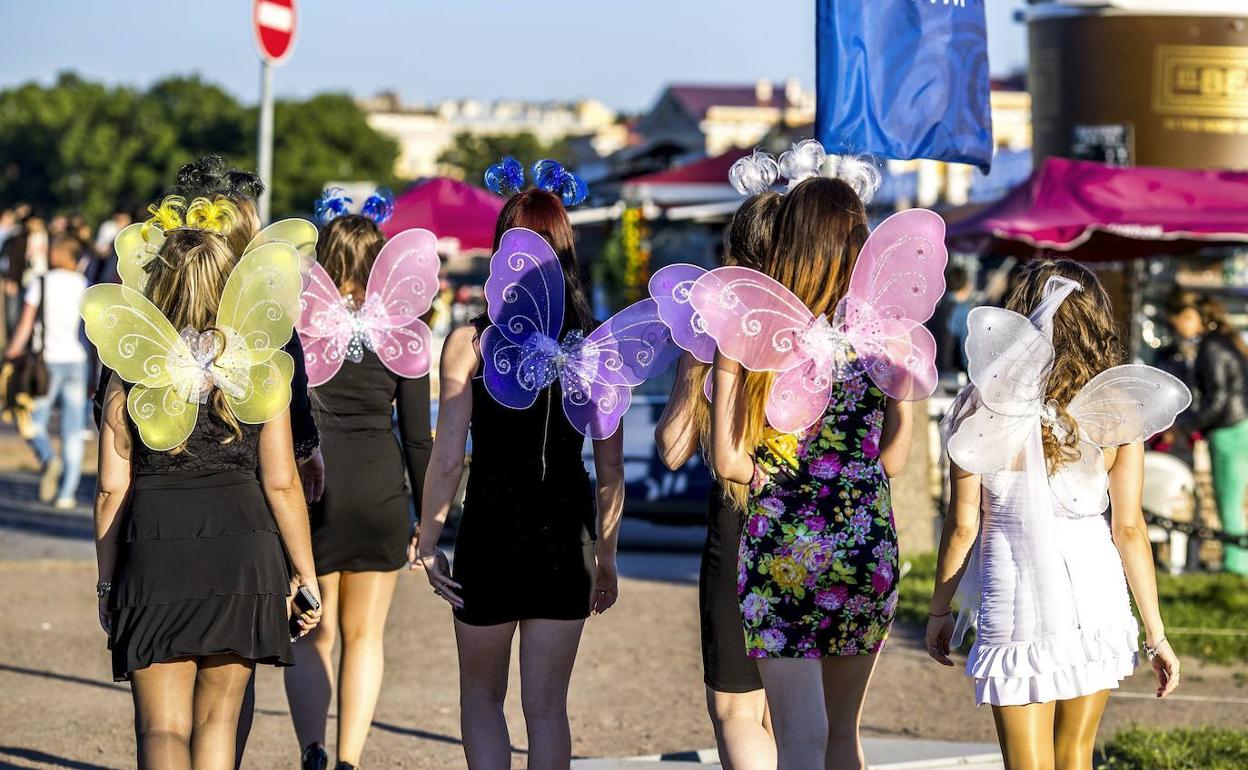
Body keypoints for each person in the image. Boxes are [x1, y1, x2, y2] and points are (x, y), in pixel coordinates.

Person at [85, 195, 322, 769]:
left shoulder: (128, 366)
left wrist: (106, 583)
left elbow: (112, 490)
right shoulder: (259, 365)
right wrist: (305, 575)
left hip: (155, 551)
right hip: (245, 550)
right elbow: (283, 481)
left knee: (161, 729)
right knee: (219, 720)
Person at [928, 259, 1184, 770]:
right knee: (1075, 756)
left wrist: (940, 610)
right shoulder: (1116, 409)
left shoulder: (978, 408)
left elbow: (962, 527)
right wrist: (1156, 634)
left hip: (1014, 597)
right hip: (1096, 596)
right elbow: (1129, 530)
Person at [707, 174, 915, 770]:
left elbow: (728, 458)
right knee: (842, 735)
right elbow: (894, 458)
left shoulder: (751, 332)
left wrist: (774, 475)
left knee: (798, 736)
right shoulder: (885, 337)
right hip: (864, 540)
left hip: (782, 545)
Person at [415, 187, 624, 770]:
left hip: (492, 529)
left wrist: (428, 541)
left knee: (482, 698)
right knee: (548, 709)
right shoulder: (597, 347)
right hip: (567, 533)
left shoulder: (471, 343)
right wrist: (605, 556)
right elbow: (610, 471)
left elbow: (449, 456)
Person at [284, 205, 433, 770]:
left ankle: (313, 752)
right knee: (365, 637)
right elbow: (419, 440)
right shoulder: (403, 335)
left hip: (314, 495)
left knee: (309, 636)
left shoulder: (299, 327)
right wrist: (430, 519)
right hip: (381, 495)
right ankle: (349, 760)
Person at [655, 191, 781, 770]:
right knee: (800, 710)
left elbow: (673, 448)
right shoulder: (823, 325)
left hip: (737, 520)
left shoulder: (718, 331)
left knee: (737, 711)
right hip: (814, 518)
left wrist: (692, 362)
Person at [4, 234, 89, 506]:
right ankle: (66, 494)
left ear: (57, 254)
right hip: (78, 360)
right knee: (72, 430)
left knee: (32, 420)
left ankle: (48, 459)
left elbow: (26, 323)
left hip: (45, 364)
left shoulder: (41, 282)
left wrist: (11, 352)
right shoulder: (85, 285)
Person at [1169, 291, 1248, 576]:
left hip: (1228, 430)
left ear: (1196, 319)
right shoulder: (1224, 343)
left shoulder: (1211, 349)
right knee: (1234, 501)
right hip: (1238, 427)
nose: (1178, 325)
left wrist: (1187, 426)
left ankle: (1236, 569)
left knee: (1228, 502)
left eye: (1183, 318)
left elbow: (1218, 400)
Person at [3, 214, 48, 338]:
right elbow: (14, 260)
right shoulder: (20, 239)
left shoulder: (49, 237)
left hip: (44, 280)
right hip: (25, 280)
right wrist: (12, 280)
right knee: (18, 315)